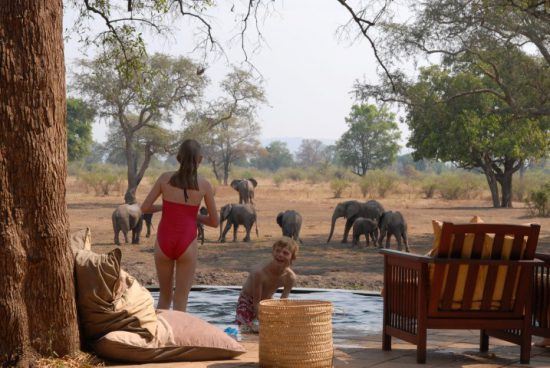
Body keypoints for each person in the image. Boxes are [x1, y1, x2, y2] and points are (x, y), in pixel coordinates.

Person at [141, 139, 218, 312]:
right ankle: (178, 339)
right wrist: (192, 215)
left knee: (164, 297)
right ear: (200, 159)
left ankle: (159, 337)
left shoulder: (164, 178)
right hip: (187, 242)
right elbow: (214, 222)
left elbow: (144, 208)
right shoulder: (204, 184)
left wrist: (166, 207)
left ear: (178, 158)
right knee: (181, 299)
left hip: (163, 241)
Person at [235, 237, 298, 331]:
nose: (280, 255)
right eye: (278, 251)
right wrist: (265, 322)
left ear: (292, 257)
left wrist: (279, 320)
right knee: (244, 329)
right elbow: (256, 303)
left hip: (266, 301)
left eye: (285, 253)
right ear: (273, 252)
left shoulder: (290, 277)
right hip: (248, 300)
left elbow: (282, 303)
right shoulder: (260, 272)